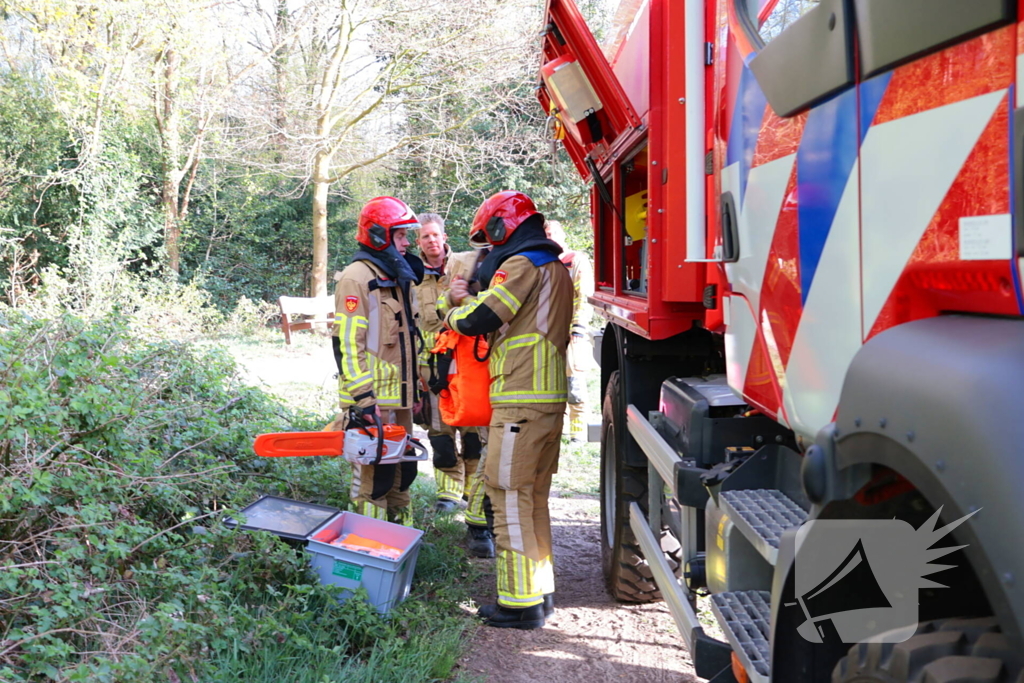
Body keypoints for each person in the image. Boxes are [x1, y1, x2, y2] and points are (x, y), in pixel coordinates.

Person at [441, 191, 572, 629]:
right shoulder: (553, 265)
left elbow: (481, 319)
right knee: (532, 497)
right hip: (545, 397)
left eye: (490, 238)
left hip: (520, 397)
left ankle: (518, 603)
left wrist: (452, 305)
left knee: (507, 493)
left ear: (502, 228)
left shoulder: (522, 264)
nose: (490, 250)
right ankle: (540, 592)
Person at [331, 196, 423, 527]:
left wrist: (415, 393)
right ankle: (368, 544)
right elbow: (348, 344)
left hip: (399, 401)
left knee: (402, 475)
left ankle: (404, 544)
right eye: (400, 235)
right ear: (380, 236)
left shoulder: (397, 275)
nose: (407, 242)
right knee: (372, 482)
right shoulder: (357, 277)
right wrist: (363, 399)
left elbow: (408, 341)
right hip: (371, 402)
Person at [410, 213, 486, 519]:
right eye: (425, 237)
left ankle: (470, 487)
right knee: (440, 433)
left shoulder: (465, 266)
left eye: (435, 235)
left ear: (444, 237)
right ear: (419, 242)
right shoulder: (412, 276)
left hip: (466, 362)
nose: (431, 241)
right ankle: (448, 493)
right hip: (430, 366)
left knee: (470, 430)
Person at [544, 220, 595, 442]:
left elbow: (584, 297)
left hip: (574, 334)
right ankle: (560, 430)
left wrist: (578, 328)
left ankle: (578, 433)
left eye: (553, 233)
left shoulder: (576, 261)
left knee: (575, 386)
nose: (550, 237)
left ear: (563, 236)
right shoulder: (542, 265)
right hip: (549, 334)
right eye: (546, 234)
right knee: (551, 386)